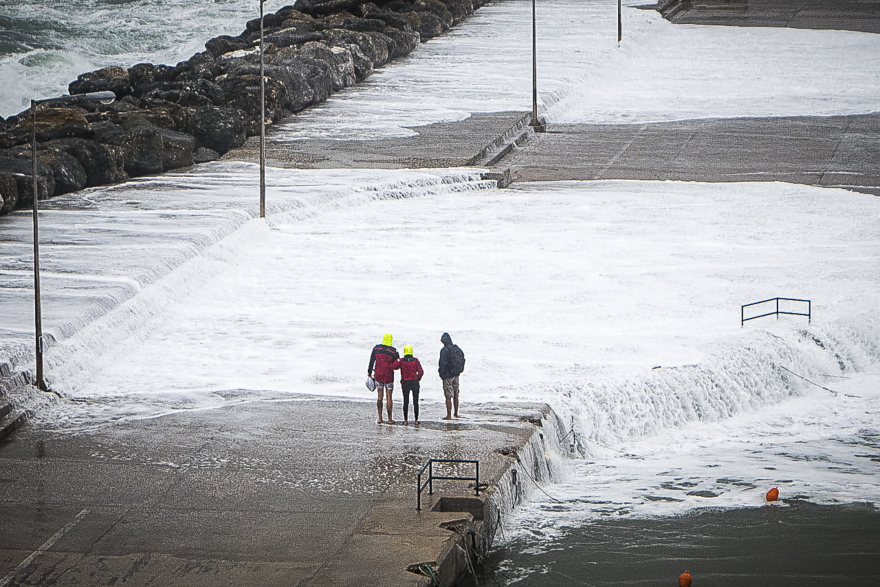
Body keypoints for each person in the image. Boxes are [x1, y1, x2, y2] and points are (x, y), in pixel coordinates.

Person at [368, 333, 399, 424]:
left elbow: (371, 360)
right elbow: (396, 365)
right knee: (389, 396)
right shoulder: (393, 352)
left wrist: (369, 372)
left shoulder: (376, 349)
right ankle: (389, 419)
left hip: (378, 375)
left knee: (379, 396)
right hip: (388, 376)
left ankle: (380, 418)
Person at [392, 345, 424, 425]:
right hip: (414, 382)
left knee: (405, 401)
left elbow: (393, 366)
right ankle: (416, 420)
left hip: (405, 382)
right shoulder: (416, 360)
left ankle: (405, 420)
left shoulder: (402, 361)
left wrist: (397, 358)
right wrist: (418, 378)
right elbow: (421, 371)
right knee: (415, 402)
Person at [438, 332, 465, 420]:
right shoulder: (455, 348)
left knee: (448, 395)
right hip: (456, 375)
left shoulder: (444, 350)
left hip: (448, 376)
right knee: (456, 394)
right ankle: (456, 413)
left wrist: (442, 374)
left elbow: (442, 363)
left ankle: (449, 415)